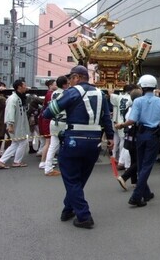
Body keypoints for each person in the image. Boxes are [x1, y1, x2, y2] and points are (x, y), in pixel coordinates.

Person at [43, 65, 114, 229]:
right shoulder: (101, 94)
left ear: (76, 77)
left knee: (71, 177)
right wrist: (110, 137)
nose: (69, 81)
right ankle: (68, 209)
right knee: (80, 178)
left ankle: (84, 215)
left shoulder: (73, 92)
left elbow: (49, 112)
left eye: (70, 78)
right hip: (95, 141)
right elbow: (106, 118)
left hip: (74, 139)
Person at [115, 74, 160, 207]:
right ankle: (140, 195)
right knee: (146, 166)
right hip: (153, 136)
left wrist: (121, 125)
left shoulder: (138, 101)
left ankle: (142, 194)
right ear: (154, 87)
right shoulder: (159, 101)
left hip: (140, 135)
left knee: (141, 165)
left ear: (141, 86)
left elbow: (132, 120)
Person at [0, 79, 30, 169]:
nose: (26, 87)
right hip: (15, 125)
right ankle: (16, 161)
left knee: (15, 143)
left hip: (18, 124)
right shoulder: (13, 99)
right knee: (22, 142)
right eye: (24, 85)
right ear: (19, 87)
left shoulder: (19, 97)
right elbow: (9, 112)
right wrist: (10, 125)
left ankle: (2, 161)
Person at [116, 87, 143, 191]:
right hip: (136, 135)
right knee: (140, 160)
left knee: (134, 159)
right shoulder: (138, 109)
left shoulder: (128, 108)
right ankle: (124, 177)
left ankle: (135, 181)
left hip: (129, 136)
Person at [44, 76, 69, 176]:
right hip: (63, 122)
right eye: (67, 83)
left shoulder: (54, 93)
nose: (69, 84)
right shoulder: (66, 93)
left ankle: (48, 167)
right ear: (64, 84)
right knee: (66, 145)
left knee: (53, 145)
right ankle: (66, 166)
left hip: (54, 121)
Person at [110, 84, 133, 169]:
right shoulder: (131, 99)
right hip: (124, 122)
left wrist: (111, 91)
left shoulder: (118, 97)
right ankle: (120, 159)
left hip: (116, 120)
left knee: (116, 139)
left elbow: (111, 95)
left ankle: (113, 156)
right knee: (123, 141)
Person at [38, 79, 57, 170]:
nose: (56, 85)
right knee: (48, 142)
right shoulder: (50, 94)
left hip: (46, 120)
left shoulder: (50, 93)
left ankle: (49, 159)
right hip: (47, 120)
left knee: (50, 142)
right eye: (55, 84)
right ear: (50, 86)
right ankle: (43, 161)